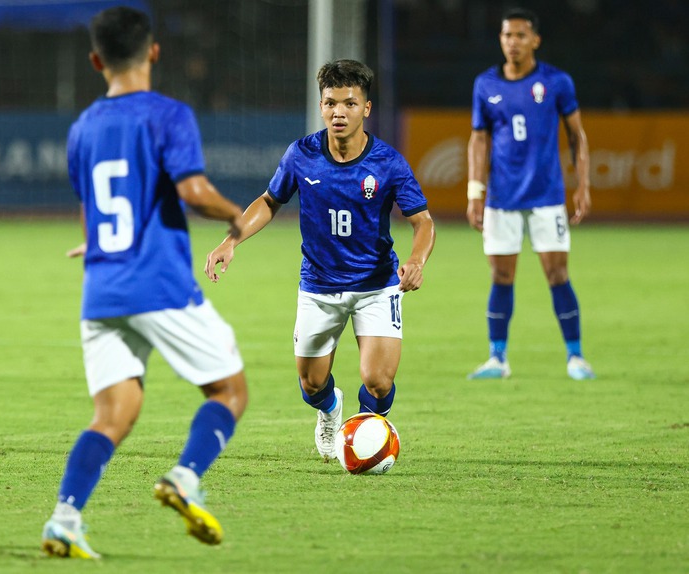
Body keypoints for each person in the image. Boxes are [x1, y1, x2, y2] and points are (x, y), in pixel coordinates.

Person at [41, 7, 248, 559]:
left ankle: (65, 517)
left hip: (101, 289)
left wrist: (99, 241)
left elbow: (92, 209)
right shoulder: (168, 113)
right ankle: (185, 477)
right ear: (154, 52)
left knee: (113, 415)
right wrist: (236, 215)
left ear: (94, 60)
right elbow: (195, 191)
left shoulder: (82, 127)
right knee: (229, 391)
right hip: (156, 284)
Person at [205, 59, 435, 462]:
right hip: (318, 287)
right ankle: (331, 412)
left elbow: (423, 222)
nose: (338, 112)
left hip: (376, 286)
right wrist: (231, 240)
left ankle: (364, 436)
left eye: (349, 103)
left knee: (379, 381)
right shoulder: (302, 155)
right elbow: (269, 200)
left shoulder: (388, 163)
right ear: (321, 105)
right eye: (330, 103)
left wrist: (417, 260)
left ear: (366, 108)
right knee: (312, 385)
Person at [466, 8, 595, 381]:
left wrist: (582, 185)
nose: (513, 42)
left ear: (535, 40)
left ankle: (575, 356)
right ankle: (497, 358)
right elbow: (478, 139)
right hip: (501, 198)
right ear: (501, 40)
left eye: (521, 36)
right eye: (507, 35)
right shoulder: (485, 84)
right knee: (501, 276)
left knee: (557, 273)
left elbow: (577, 136)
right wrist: (475, 192)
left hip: (546, 196)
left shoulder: (557, 82)